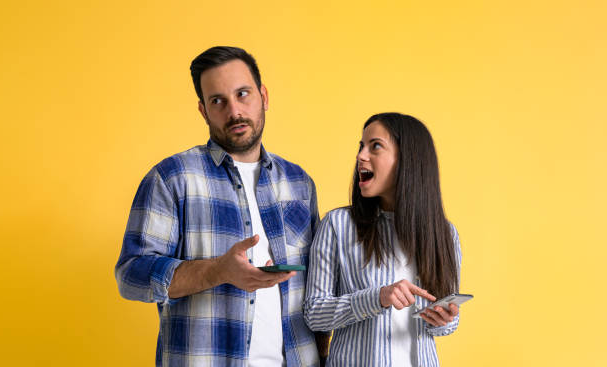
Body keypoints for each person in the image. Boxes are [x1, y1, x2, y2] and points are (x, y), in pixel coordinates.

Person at [115, 46, 328, 367]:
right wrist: (217, 271)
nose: (234, 111)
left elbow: (316, 288)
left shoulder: (299, 182)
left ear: (264, 96)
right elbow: (131, 275)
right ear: (203, 110)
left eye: (243, 94)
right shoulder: (172, 178)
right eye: (218, 101)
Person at [303, 113, 462, 367]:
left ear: (408, 160)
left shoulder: (444, 234)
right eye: (361, 146)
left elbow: (443, 328)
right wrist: (377, 298)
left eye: (375, 146)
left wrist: (445, 319)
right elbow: (314, 314)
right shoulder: (337, 225)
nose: (360, 156)